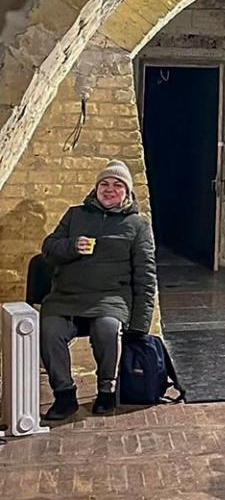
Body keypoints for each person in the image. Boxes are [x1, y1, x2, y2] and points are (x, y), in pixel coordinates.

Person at [39, 160, 157, 420]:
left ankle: (106, 390)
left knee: (106, 328)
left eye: (117, 185)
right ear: (95, 189)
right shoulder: (75, 215)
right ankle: (64, 394)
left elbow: (146, 276)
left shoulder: (137, 225)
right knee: (50, 330)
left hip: (110, 299)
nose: (110, 189)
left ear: (127, 192)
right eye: (104, 184)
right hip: (66, 298)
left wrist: (140, 323)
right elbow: (48, 248)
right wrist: (71, 246)